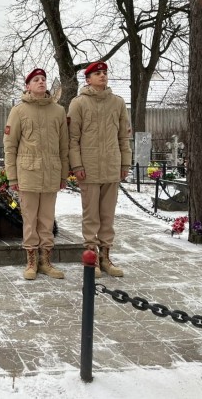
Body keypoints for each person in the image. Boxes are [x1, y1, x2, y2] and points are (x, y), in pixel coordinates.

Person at [3, 68, 69, 280]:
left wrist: (63, 175)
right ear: (28, 86)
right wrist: (12, 177)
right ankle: (31, 261)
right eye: (36, 80)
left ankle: (46, 261)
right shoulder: (19, 111)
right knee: (30, 220)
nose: (41, 82)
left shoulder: (58, 111)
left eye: (43, 79)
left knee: (47, 220)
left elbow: (63, 146)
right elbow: (10, 146)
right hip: (28, 174)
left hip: (51, 174)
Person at [68, 61, 132, 278]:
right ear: (88, 79)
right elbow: (72, 139)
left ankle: (105, 257)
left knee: (108, 216)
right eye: (97, 73)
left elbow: (124, 136)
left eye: (104, 73)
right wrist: (76, 164)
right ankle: (90, 257)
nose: (102, 76)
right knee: (91, 216)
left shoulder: (118, 103)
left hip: (112, 167)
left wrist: (124, 163)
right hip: (89, 168)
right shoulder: (78, 104)